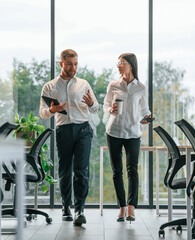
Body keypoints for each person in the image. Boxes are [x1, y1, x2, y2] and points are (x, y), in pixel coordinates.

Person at [39, 49, 99, 226]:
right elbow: (42, 113)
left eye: (75, 64)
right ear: (61, 64)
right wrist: (52, 110)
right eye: (69, 64)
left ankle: (79, 209)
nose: (73, 68)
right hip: (64, 129)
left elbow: (95, 108)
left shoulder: (83, 84)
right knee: (65, 170)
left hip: (83, 130)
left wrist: (91, 104)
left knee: (81, 170)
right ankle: (66, 207)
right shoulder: (49, 87)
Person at [103, 53, 152, 222]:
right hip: (114, 131)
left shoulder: (141, 88)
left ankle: (131, 208)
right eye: (118, 63)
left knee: (132, 170)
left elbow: (145, 110)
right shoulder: (113, 85)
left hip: (132, 133)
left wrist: (147, 118)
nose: (119, 65)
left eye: (122, 63)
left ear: (131, 65)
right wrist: (111, 110)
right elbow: (106, 105)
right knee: (117, 172)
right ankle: (122, 207)